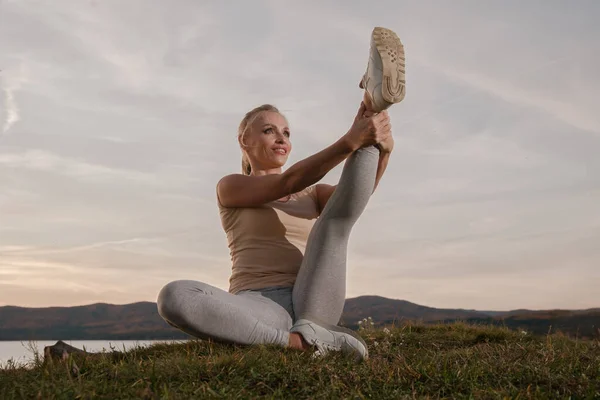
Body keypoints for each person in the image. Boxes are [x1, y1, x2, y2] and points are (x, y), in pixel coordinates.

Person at [157, 27, 405, 361]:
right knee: (174, 296)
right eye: (269, 130)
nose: (281, 137)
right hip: (257, 304)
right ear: (244, 141)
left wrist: (381, 149)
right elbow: (285, 183)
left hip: (314, 298)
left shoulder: (312, 192)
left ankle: (373, 102)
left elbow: (353, 200)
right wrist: (350, 141)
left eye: (286, 132)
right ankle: (299, 343)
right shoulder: (230, 186)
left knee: (334, 223)